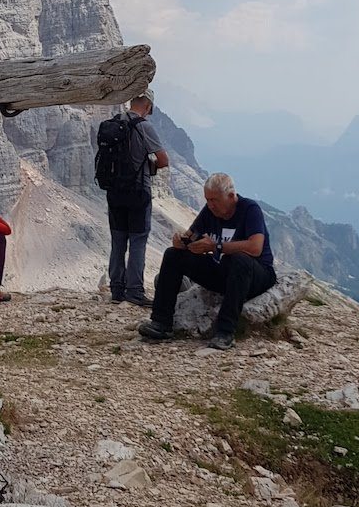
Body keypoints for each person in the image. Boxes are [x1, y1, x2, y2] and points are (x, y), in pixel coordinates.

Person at [138, 172, 275, 350]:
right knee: (173, 255)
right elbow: (191, 234)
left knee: (239, 259)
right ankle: (161, 323)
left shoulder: (250, 209)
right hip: (224, 272)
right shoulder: (209, 211)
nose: (210, 205)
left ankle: (225, 332)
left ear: (231, 196)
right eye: (207, 200)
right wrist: (181, 241)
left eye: (215, 200)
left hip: (256, 275)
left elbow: (255, 247)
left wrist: (217, 247)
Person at [103, 89, 169, 306]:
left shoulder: (113, 124)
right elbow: (163, 160)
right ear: (148, 105)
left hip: (114, 193)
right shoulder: (144, 127)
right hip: (138, 193)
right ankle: (134, 291)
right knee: (138, 241)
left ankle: (116, 290)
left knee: (118, 241)